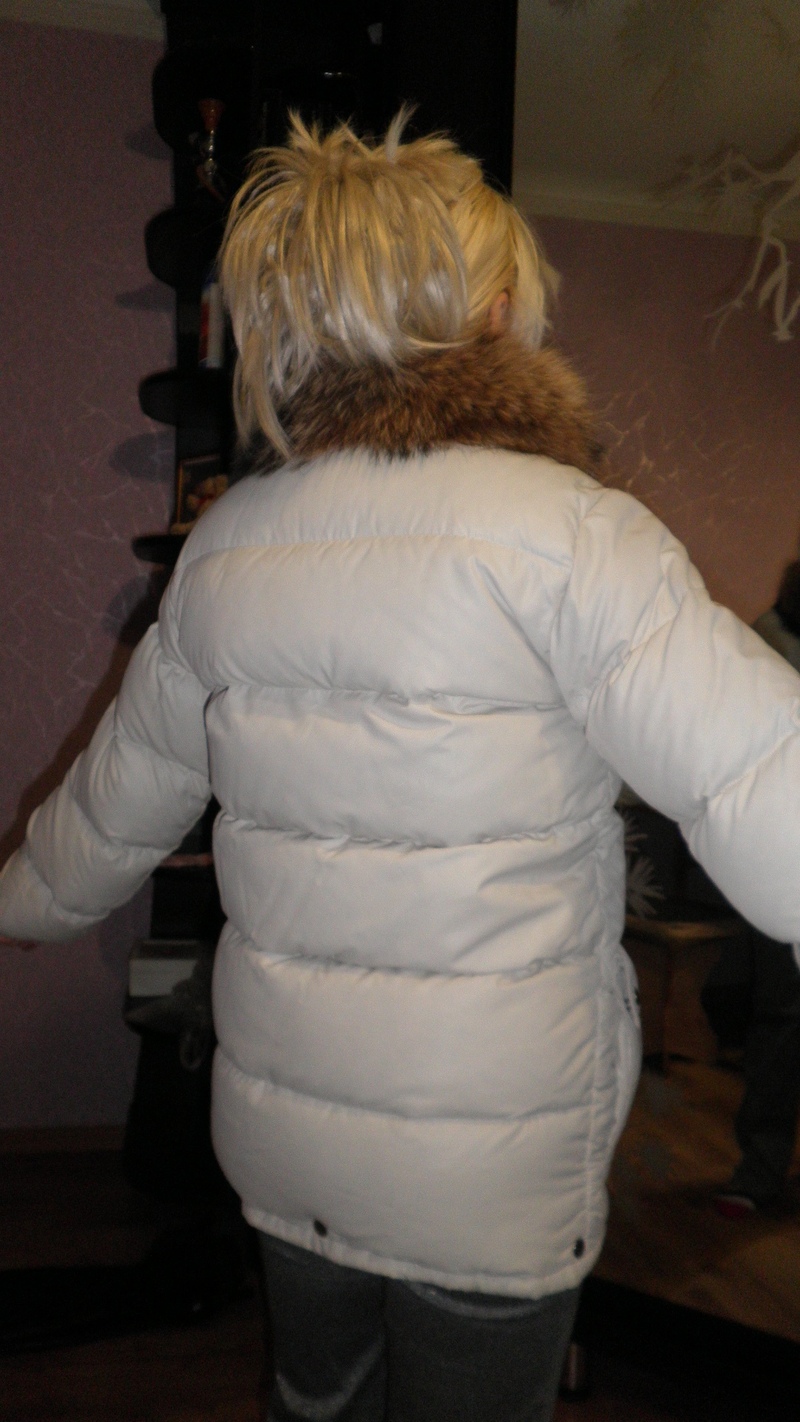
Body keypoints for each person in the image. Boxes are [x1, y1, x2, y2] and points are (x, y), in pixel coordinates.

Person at [3, 112, 800, 1422]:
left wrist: (23, 901)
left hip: (286, 1143)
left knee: (315, 1396)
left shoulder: (230, 545)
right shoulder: (570, 537)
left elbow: (109, 807)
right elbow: (765, 779)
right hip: (491, 1167)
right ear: (491, 312)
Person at [712, 561, 800, 1219]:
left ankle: (760, 1171)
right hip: (784, 855)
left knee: (779, 1021)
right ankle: (760, 1169)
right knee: (781, 1021)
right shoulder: (766, 644)